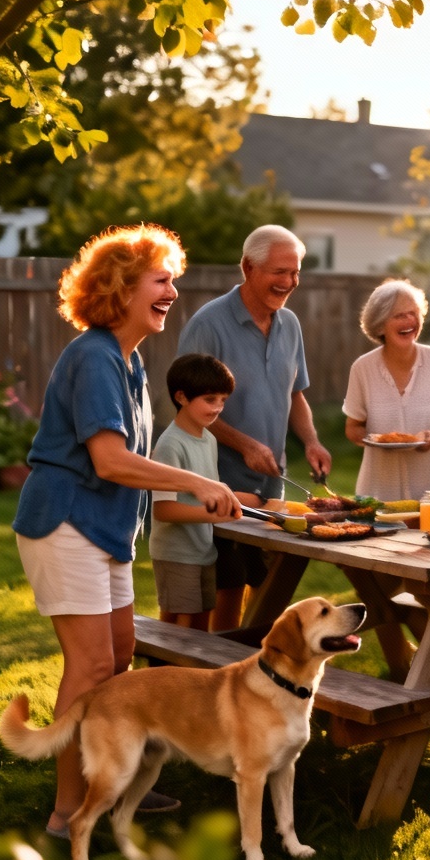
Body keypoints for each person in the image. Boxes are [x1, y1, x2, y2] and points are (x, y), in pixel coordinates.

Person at [12, 225, 241, 840]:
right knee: (90, 671)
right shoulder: (92, 357)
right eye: (161, 281)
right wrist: (193, 483)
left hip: (105, 531)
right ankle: (67, 813)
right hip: (65, 523)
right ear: (122, 288)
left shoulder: (129, 361)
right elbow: (111, 460)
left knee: (118, 662)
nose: (173, 292)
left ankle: (112, 782)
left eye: (173, 282)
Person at [177, 225, 332, 631]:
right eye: (279, 271)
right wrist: (244, 444)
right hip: (218, 483)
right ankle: (218, 676)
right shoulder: (208, 324)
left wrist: (312, 441)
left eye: (295, 273)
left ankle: (244, 672)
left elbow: (295, 394)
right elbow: (188, 408)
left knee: (264, 588)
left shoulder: (290, 325)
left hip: (271, 488)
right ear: (247, 267)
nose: (288, 282)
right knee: (224, 590)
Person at [343, 278, 430, 679]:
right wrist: (373, 441)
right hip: (379, 488)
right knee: (379, 583)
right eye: (400, 314)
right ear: (381, 323)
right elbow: (353, 428)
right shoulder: (363, 368)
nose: (410, 321)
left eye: (414, 313)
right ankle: (401, 666)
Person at [150, 353, 249, 632]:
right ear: (181, 397)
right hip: (176, 554)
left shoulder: (209, 440)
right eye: (209, 399)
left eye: (222, 400)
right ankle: (160, 677)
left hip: (203, 551)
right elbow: (163, 510)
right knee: (175, 633)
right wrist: (213, 515)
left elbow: (212, 492)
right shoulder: (170, 445)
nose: (218, 407)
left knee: (198, 631)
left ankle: (189, 676)